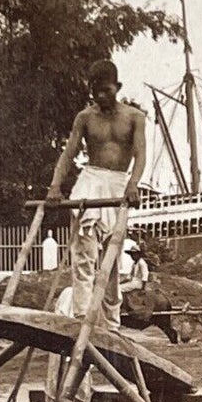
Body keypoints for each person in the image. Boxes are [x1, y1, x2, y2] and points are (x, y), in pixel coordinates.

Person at [48, 59, 147, 329]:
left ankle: (111, 323)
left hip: (117, 185)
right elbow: (69, 153)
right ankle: (81, 316)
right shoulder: (85, 117)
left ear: (118, 86)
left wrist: (133, 184)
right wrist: (55, 186)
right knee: (84, 254)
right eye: (95, 91)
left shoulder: (134, 117)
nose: (101, 96)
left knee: (112, 261)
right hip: (90, 183)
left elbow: (140, 155)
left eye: (106, 90)